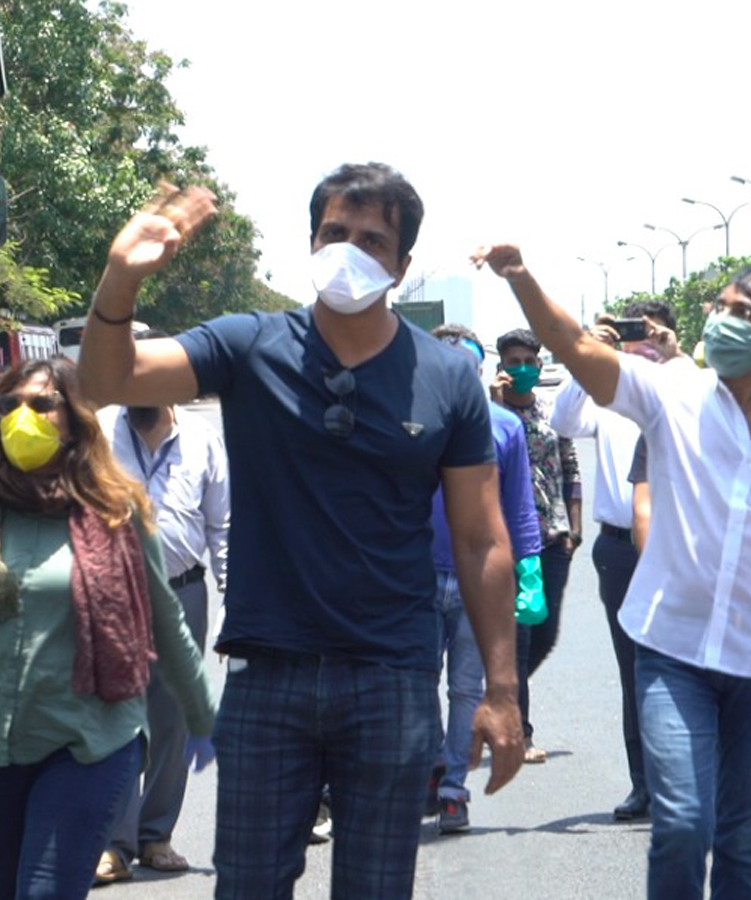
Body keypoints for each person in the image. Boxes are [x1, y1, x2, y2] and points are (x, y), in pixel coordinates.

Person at [79, 166, 524, 900]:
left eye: (373, 240)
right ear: (311, 243)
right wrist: (119, 280)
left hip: (392, 678)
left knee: (375, 889)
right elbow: (108, 381)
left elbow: (482, 543)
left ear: (403, 266)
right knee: (248, 887)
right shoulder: (249, 345)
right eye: (335, 234)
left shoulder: (446, 378)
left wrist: (501, 693)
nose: (350, 249)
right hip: (268, 676)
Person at [473, 244, 751, 900]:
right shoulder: (670, 393)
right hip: (672, 651)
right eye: (718, 307)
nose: (719, 320)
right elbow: (573, 344)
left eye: (741, 313)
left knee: (746, 843)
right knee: (685, 822)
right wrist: (520, 278)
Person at [0, 360, 213, 900]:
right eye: (8, 406)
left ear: (74, 419)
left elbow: (164, 616)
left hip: (86, 745)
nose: (21, 417)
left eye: (40, 404)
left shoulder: (114, 510)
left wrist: (201, 714)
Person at [549, 303, 680, 818]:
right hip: (620, 548)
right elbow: (563, 419)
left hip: (679, 546)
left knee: (686, 666)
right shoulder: (608, 390)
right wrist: (589, 351)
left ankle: (686, 783)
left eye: (648, 333)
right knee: (635, 670)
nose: (639, 341)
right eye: (631, 333)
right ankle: (643, 783)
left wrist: (671, 358)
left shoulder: (680, 387)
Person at [94, 400, 229, 883]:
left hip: (183, 590)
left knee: (170, 722)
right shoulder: (100, 430)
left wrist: (231, 600)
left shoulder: (201, 440)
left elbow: (222, 526)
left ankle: (155, 836)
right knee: (120, 717)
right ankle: (114, 842)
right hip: (112, 592)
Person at [430, 325, 543, 835]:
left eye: (465, 363)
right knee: (413, 687)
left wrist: (529, 570)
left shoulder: (504, 427)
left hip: (480, 582)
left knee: (466, 690)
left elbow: (519, 509)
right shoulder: (412, 423)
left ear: (477, 369)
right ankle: (431, 767)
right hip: (415, 578)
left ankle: (454, 788)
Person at [491, 327, 581, 764]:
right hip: (508, 540)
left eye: (529, 361)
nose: (522, 369)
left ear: (540, 364)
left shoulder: (553, 414)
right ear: (501, 367)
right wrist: (494, 405)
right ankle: (519, 733)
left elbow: (571, 467)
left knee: (546, 632)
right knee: (520, 636)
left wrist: (574, 530)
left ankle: (495, 696)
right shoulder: (487, 415)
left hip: (553, 536)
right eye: (514, 362)